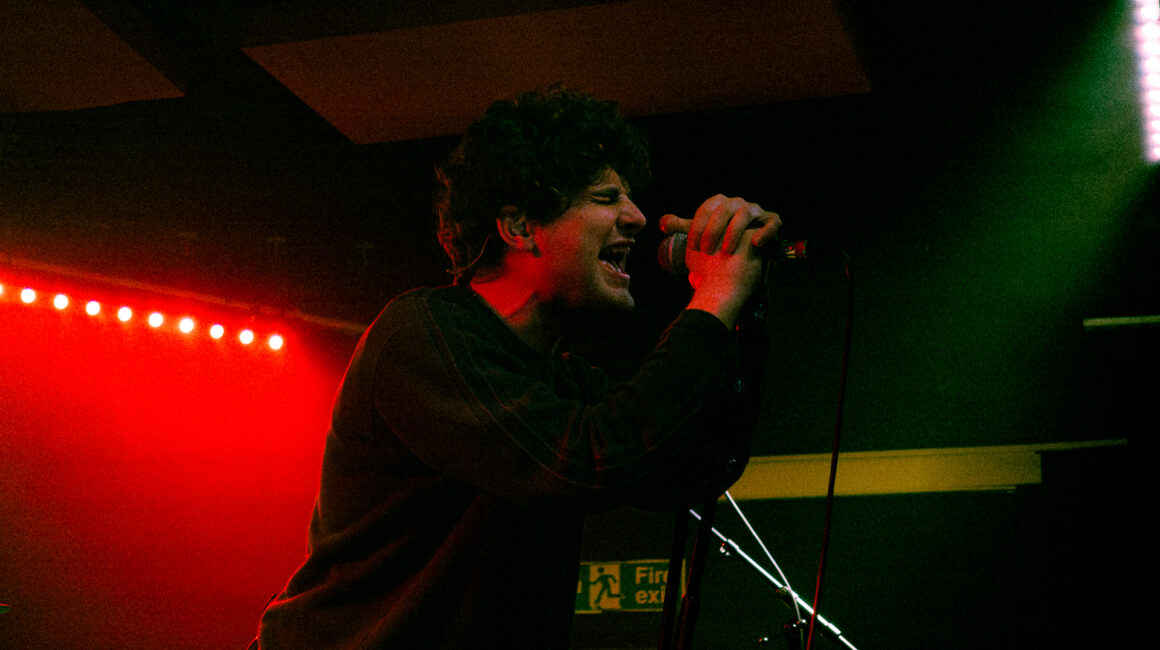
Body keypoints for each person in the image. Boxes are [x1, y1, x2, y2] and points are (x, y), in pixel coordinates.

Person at [254, 86, 781, 648]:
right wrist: (712, 305)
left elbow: (693, 467)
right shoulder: (421, 335)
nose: (636, 217)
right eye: (606, 197)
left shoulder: (560, 380)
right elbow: (587, 463)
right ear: (520, 227)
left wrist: (739, 311)